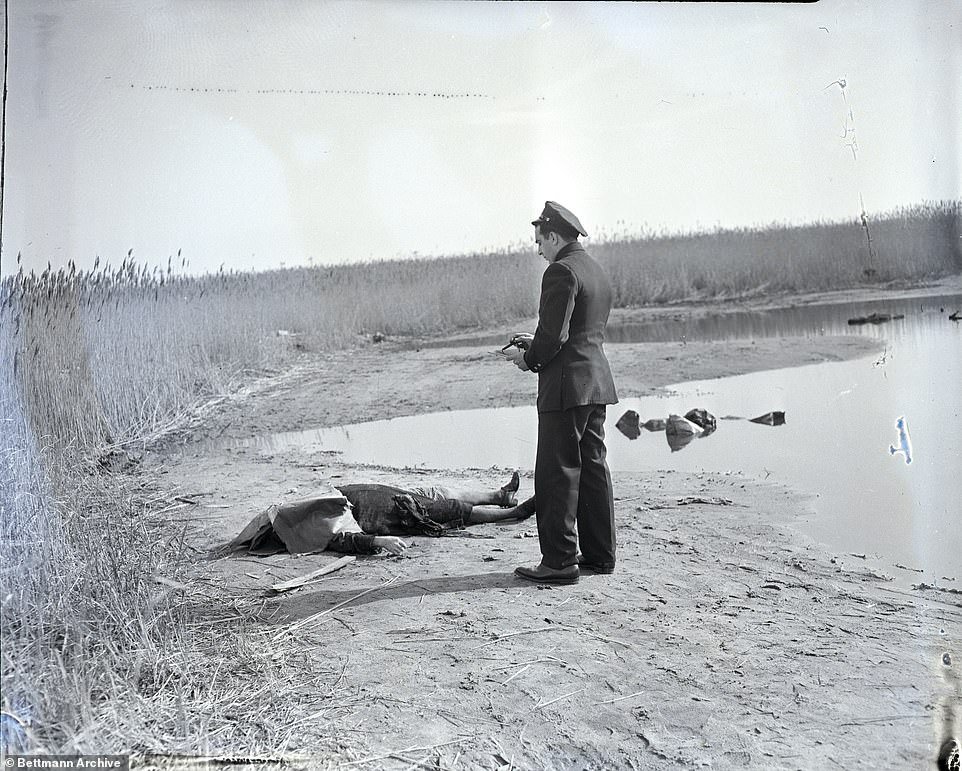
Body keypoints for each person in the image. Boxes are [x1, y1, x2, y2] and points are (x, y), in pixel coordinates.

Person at [502, 201, 618, 584]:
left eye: (539, 242)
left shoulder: (560, 271)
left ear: (553, 236)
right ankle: (600, 555)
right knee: (593, 468)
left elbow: (554, 337)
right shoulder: (595, 270)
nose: (538, 250)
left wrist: (528, 359)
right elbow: (575, 331)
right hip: (596, 382)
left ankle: (559, 561)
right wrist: (535, 343)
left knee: (557, 474)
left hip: (565, 388)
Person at [219, 472, 536, 557]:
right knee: (442, 509)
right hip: (383, 511)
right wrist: (380, 541)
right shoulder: (304, 528)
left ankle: (500, 496)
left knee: (433, 493)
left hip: (376, 495)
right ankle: (513, 512)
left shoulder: (297, 511)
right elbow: (345, 540)